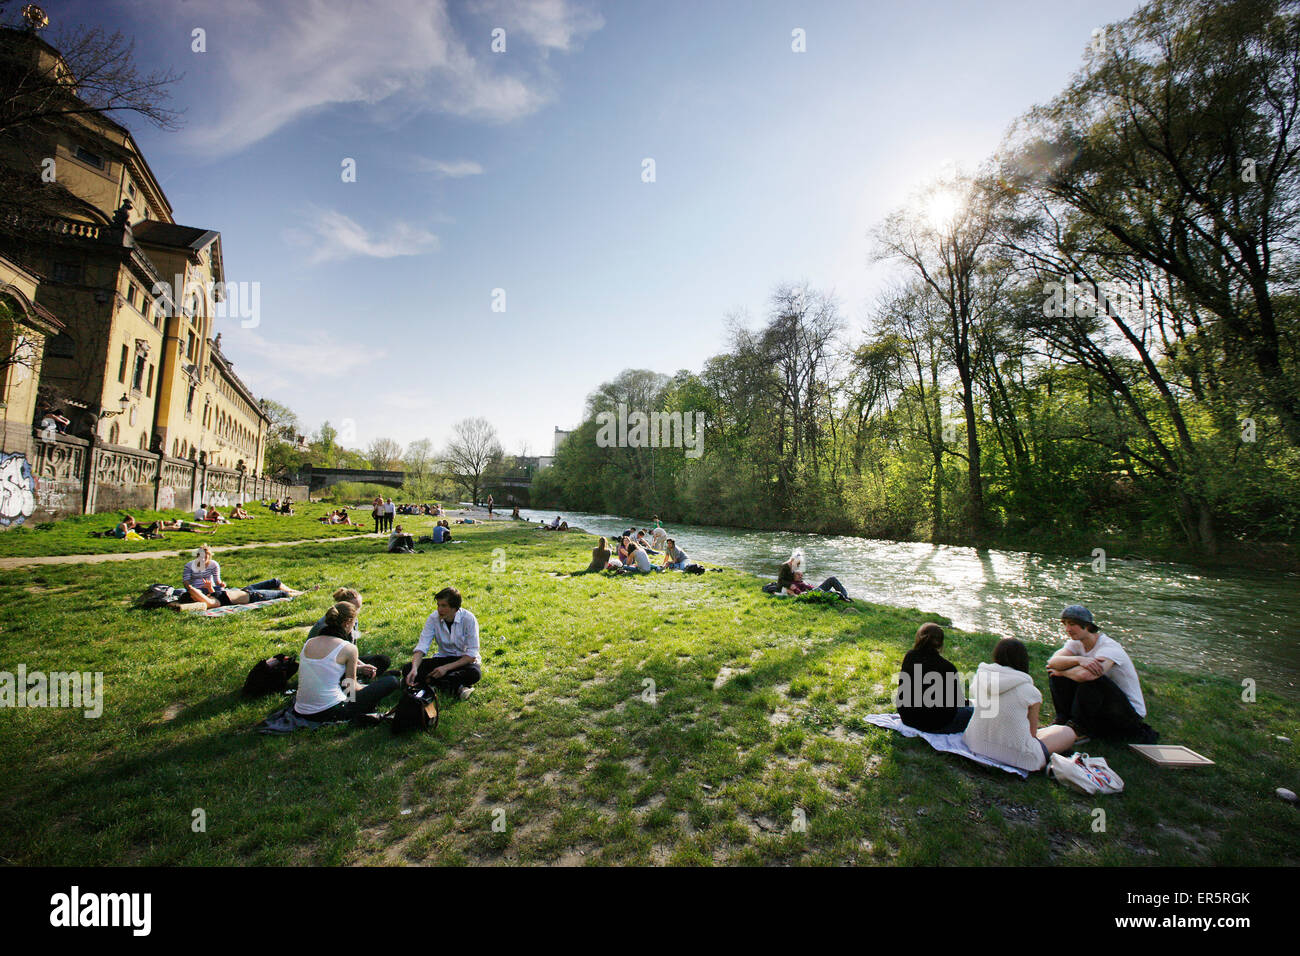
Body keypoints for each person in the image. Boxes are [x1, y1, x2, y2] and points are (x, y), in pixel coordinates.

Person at [1046, 604, 1157, 743]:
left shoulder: (1109, 648)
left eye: (1072, 624)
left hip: (1127, 713)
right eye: (1065, 624)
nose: (1067, 629)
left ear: (1086, 626)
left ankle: (1081, 729)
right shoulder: (1076, 643)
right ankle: (1063, 719)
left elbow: (1087, 676)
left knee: (1093, 680)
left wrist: (1062, 672)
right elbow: (1052, 663)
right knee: (1056, 675)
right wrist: (1078, 659)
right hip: (1103, 705)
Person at [965, 637, 1077, 773]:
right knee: (1067, 732)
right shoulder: (1030, 691)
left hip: (975, 743)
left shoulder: (979, 678)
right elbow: (1032, 734)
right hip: (1015, 756)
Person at [293, 602, 401, 723]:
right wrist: (368, 689)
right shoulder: (348, 648)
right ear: (347, 623)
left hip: (300, 709)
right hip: (331, 711)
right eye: (354, 623)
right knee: (392, 681)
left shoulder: (309, 642)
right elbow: (351, 689)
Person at [403, 587, 481, 700]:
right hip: (443, 658)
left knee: (475, 673)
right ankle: (455, 687)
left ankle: (430, 683)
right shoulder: (433, 618)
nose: (440, 609)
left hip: (463, 661)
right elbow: (422, 647)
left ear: (455, 608)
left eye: (444, 606)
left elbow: (471, 654)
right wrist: (414, 668)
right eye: (438, 605)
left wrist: (445, 668)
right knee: (407, 668)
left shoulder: (469, 619)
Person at [896, 623, 971, 734]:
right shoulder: (948, 668)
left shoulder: (910, 656)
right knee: (974, 712)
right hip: (936, 724)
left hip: (907, 717)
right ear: (940, 644)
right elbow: (957, 701)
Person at [181, 544, 304, 609]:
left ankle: (297, 590)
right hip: (253, 596)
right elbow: (191, 588)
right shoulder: (211, 602)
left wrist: (210, 588)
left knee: (274, 582)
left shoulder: (211, 595)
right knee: (283, 595)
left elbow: (215, 591)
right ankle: (303, 594)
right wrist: (192, 590)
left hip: (244, 591)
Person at [777, 548, 850, 601]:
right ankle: (840, 596)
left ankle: (845, 595)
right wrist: (790, 585)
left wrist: (804, 583)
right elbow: (780, 581)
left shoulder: (794, 569)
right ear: (793, 560)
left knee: (832, 579)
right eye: (798, 563)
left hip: (811, 589)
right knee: (824, 592)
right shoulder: (785, 567)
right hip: (806, 593)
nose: (798, 565)